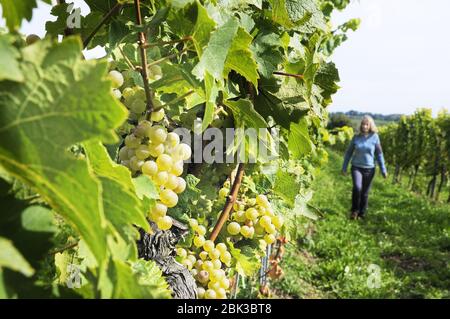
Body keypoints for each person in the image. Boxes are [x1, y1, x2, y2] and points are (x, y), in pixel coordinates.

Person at [342, 115, 388, 219]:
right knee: (357, 188)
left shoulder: (375, 137)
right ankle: (354, 211)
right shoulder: (356, 137)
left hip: (369, 169)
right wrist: (344, 167)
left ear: (370, 125)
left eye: (367, 124)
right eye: (363, 124)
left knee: (365, 193)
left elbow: (379, 154)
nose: (364, 126)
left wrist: (383, 169)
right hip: (356, 167)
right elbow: (348, 153)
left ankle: (362, 213)